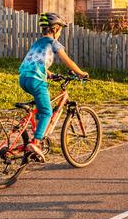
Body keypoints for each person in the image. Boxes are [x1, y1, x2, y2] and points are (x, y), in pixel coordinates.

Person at [18, 12, 89, 159]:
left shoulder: (37, 43)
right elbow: (68, 61)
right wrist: (81, 73)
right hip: (36, 81)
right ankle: (36, 142)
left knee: (40, 108)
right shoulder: (53, 43)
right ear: (55, 29)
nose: (61, 32)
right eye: (61, 29)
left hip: (24, 78)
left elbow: (34, 62)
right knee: (47, 112)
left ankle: (37, 132)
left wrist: (49, 73)